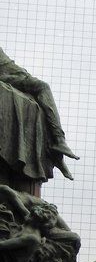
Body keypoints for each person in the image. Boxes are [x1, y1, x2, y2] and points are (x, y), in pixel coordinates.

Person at [0, 46, 78, 179]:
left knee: (37, 101)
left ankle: (57, 149)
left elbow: (9, 65)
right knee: (42, 87)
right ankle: (58, 142)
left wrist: (24, 76)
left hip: (9, 76)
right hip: (4, 78)